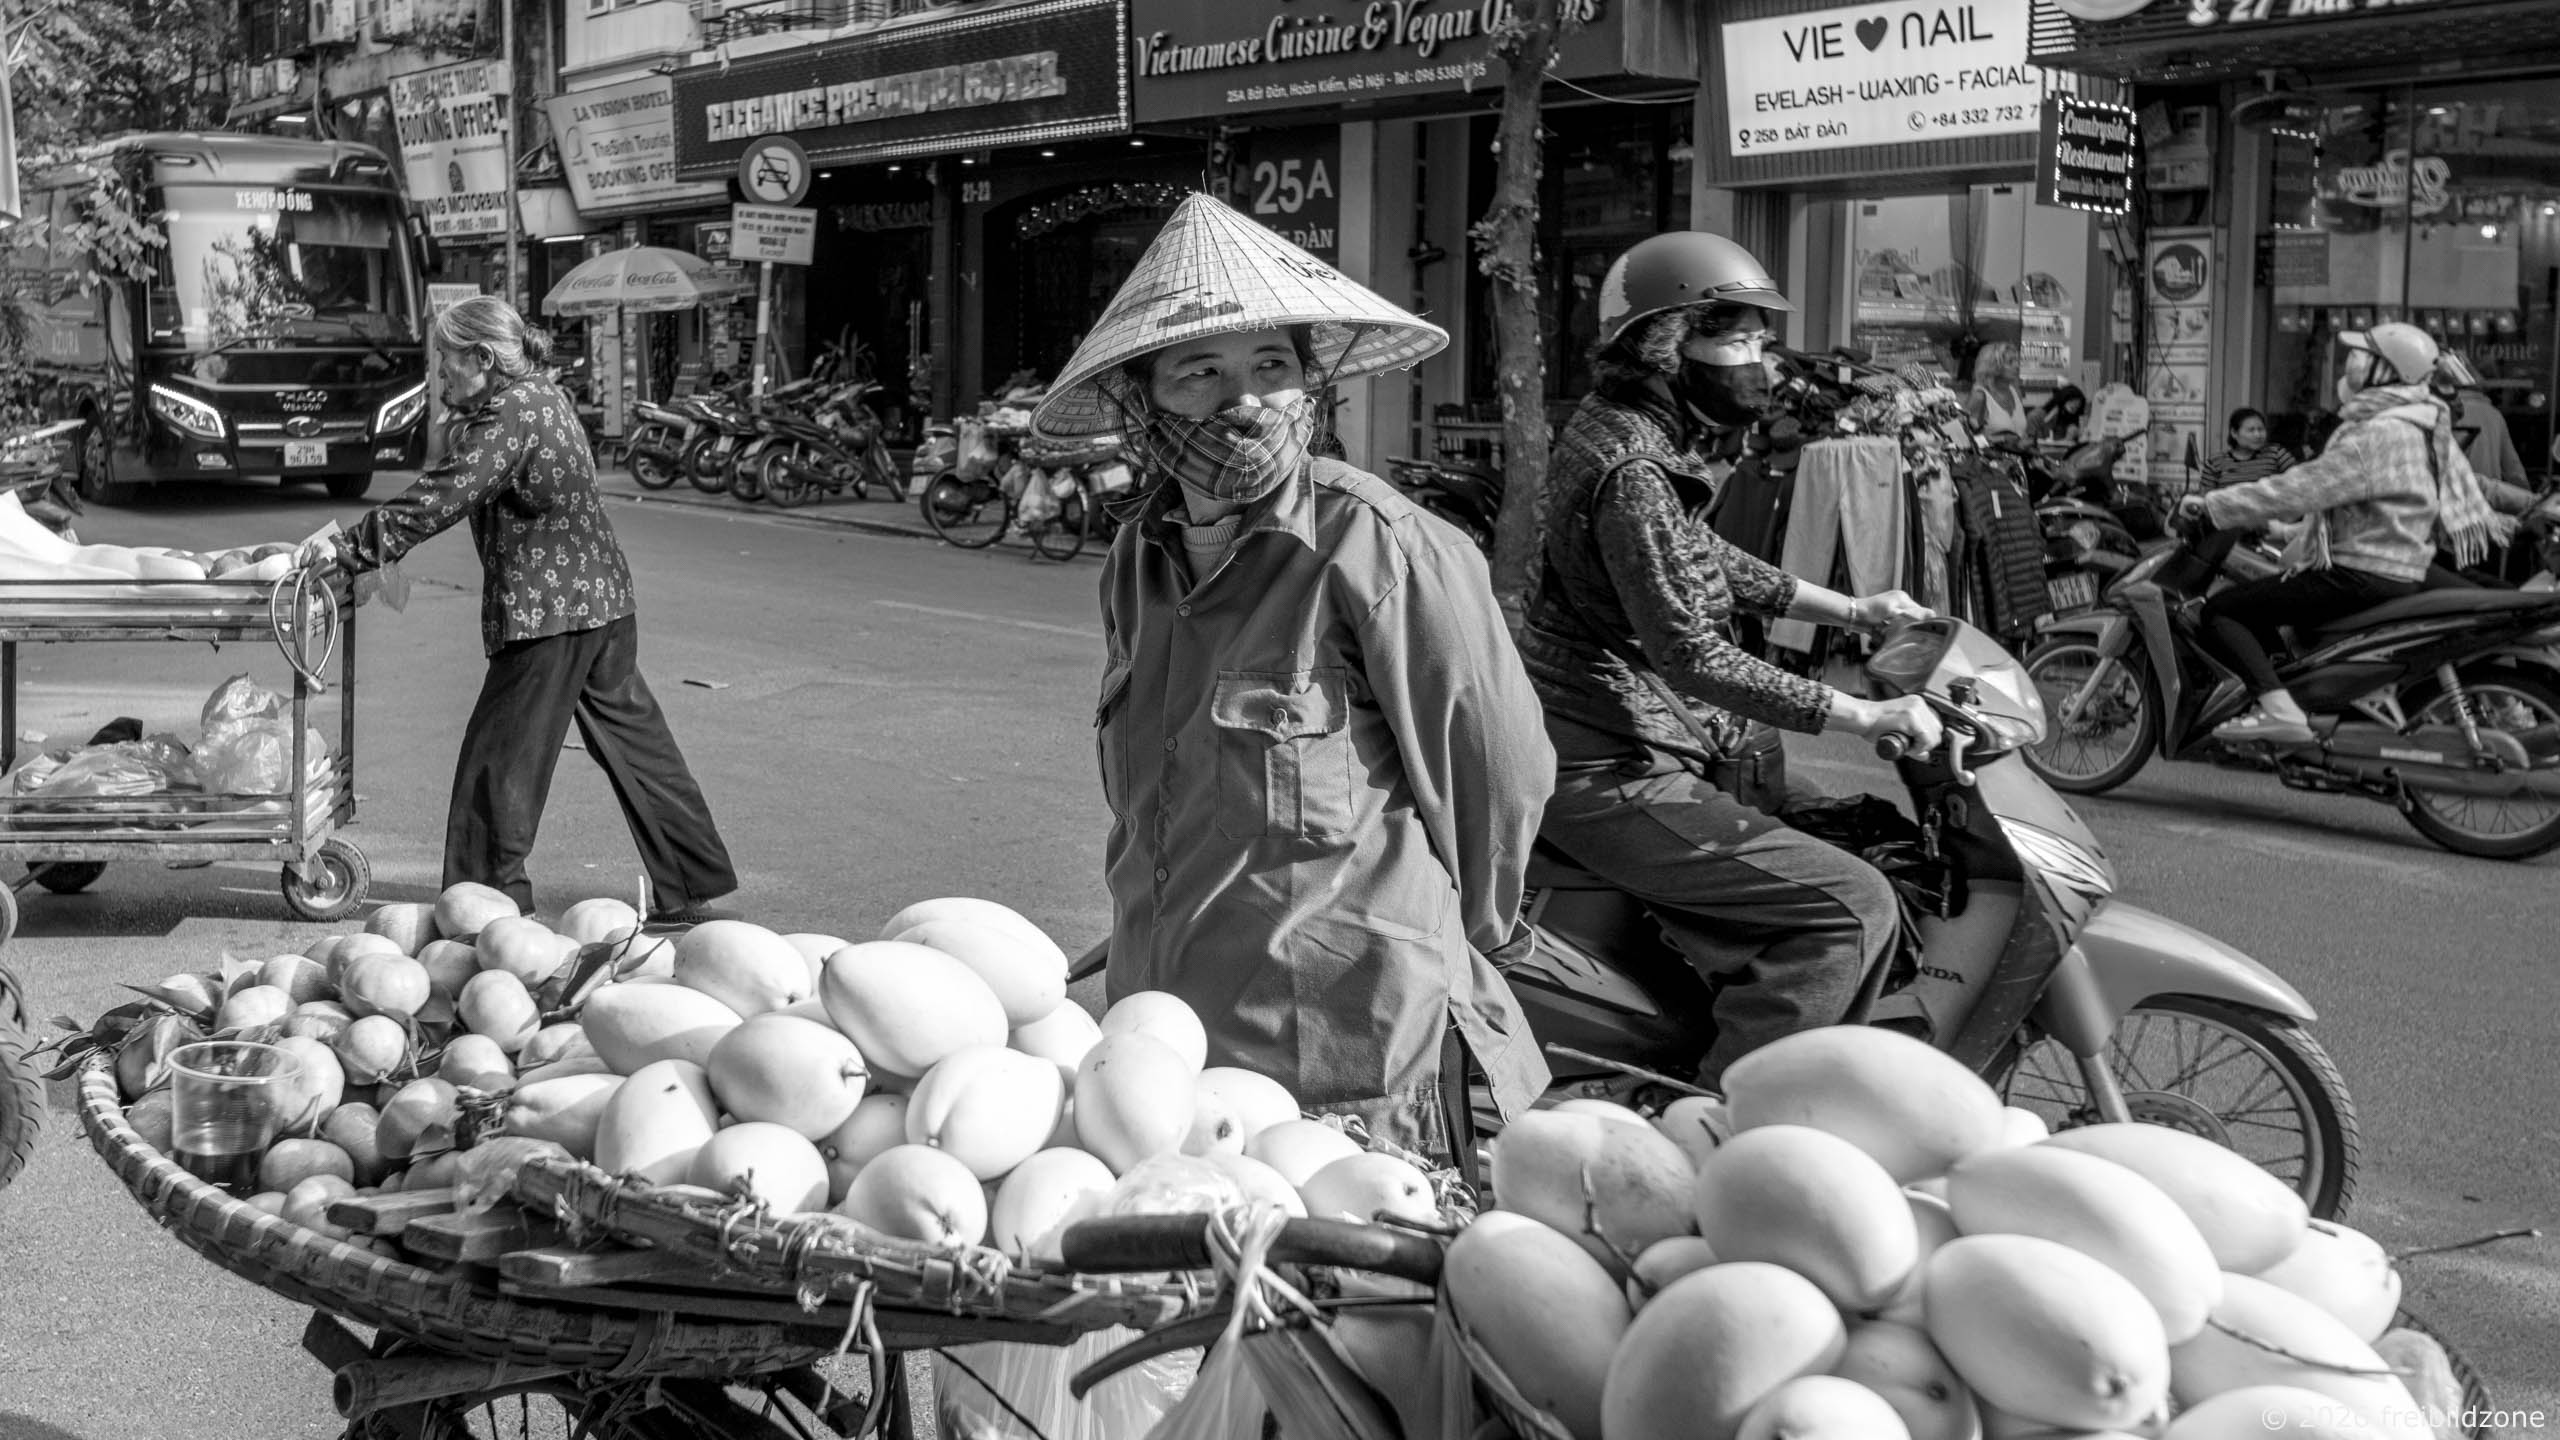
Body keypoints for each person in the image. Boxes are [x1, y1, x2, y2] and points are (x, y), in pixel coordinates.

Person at [1031, 194, 1555, 1159]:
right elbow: (1150, 803)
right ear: (1142, 403)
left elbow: (1497, 771)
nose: (1246, 401)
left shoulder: (1381, 543)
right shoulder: (1136, 560)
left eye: (1273, 366)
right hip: (1167, 1047)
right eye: (1201, 372)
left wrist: (1462, 937)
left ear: (1310, 386)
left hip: (1350, 1044)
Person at [1514, 230, 1945, 1089]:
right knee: (1850, 905)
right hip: (1611, 765)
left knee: (1841, 822)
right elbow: (1690, 652)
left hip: (1644, 739)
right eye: (1739, 340)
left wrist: (1853, 608)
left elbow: (1703, 558)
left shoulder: (1636, 436)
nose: (1762, 364)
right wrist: (1861, 714)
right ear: (1668, 343)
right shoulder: (1633, 466)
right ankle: (1725, 1124)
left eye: (1761, 341)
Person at [319, 295, 738, 925]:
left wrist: (351, 548)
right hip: (604, 605)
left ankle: (485, 905)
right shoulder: (544, 396)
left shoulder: (509, 414)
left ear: (484, 358)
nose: (440, 374)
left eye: (446, 359)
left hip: (551, 614)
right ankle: (692, 878)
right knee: (639, 751)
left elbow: (443, 495)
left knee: (499, 762)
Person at [2175, 323, 2500, 744]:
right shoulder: (2421, 421)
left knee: (2223, 611)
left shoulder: (2377, 432)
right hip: (2405, 566)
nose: (2352, 366)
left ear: (2387, 372)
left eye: (2363, 358)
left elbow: (2301, 489)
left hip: (2362, 571)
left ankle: (2280, 711)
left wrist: (2216, 505)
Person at [2197, 408, 2296, 493]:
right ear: (2234, 433)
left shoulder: (2276, 453)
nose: (2257, 435)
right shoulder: (2215, 462)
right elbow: (2206, 498)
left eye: (2261, 429)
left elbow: (2298, 480)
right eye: (2251, 430)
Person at [1966, 341, 2030, 441]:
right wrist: (2003, 438)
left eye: (2017, 361)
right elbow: (1968, 437)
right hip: (1992, 455)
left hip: (2019, 455)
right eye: (2010, 362)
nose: (2017, 366)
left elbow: (2020, 430)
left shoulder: (2015, 392)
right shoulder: (1980, 396)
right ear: (1994, 366)